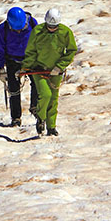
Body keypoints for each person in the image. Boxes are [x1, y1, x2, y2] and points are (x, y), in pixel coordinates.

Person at [19, 8, 77, 136]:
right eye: (49, 26)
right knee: (45, 95)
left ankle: (51, 127)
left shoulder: (65, 32)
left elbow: (71, 50)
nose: (51, 28)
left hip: (56, 72)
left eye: (54, 26)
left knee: (53, 99)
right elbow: (31, 51)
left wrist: (60, 67)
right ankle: (40, 118)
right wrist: (26, 67)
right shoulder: (38, 31)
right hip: (39, 70)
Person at [0, 6, 38, 128]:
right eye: (16, 29)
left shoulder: (33, 24)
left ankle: (35, 107)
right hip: (12, 60)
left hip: (30, 59)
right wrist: (1, 68)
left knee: (37, 83)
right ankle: (16, 118)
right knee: (14, 90)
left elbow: (39, 41)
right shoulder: (3, 29)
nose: (19, 31)